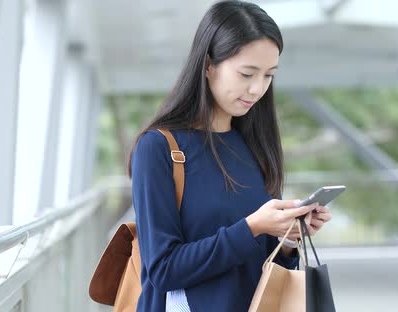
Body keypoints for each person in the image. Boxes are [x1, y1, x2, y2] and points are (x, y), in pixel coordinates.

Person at [128, 1, 333, 311]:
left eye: (268, 76)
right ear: (209, 66)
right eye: (246, 74)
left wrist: (288, 237)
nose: (256, 89)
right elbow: (164, 270)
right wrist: (253, 226)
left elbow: (263, 267)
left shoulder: (256, 144)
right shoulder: (159, 148)